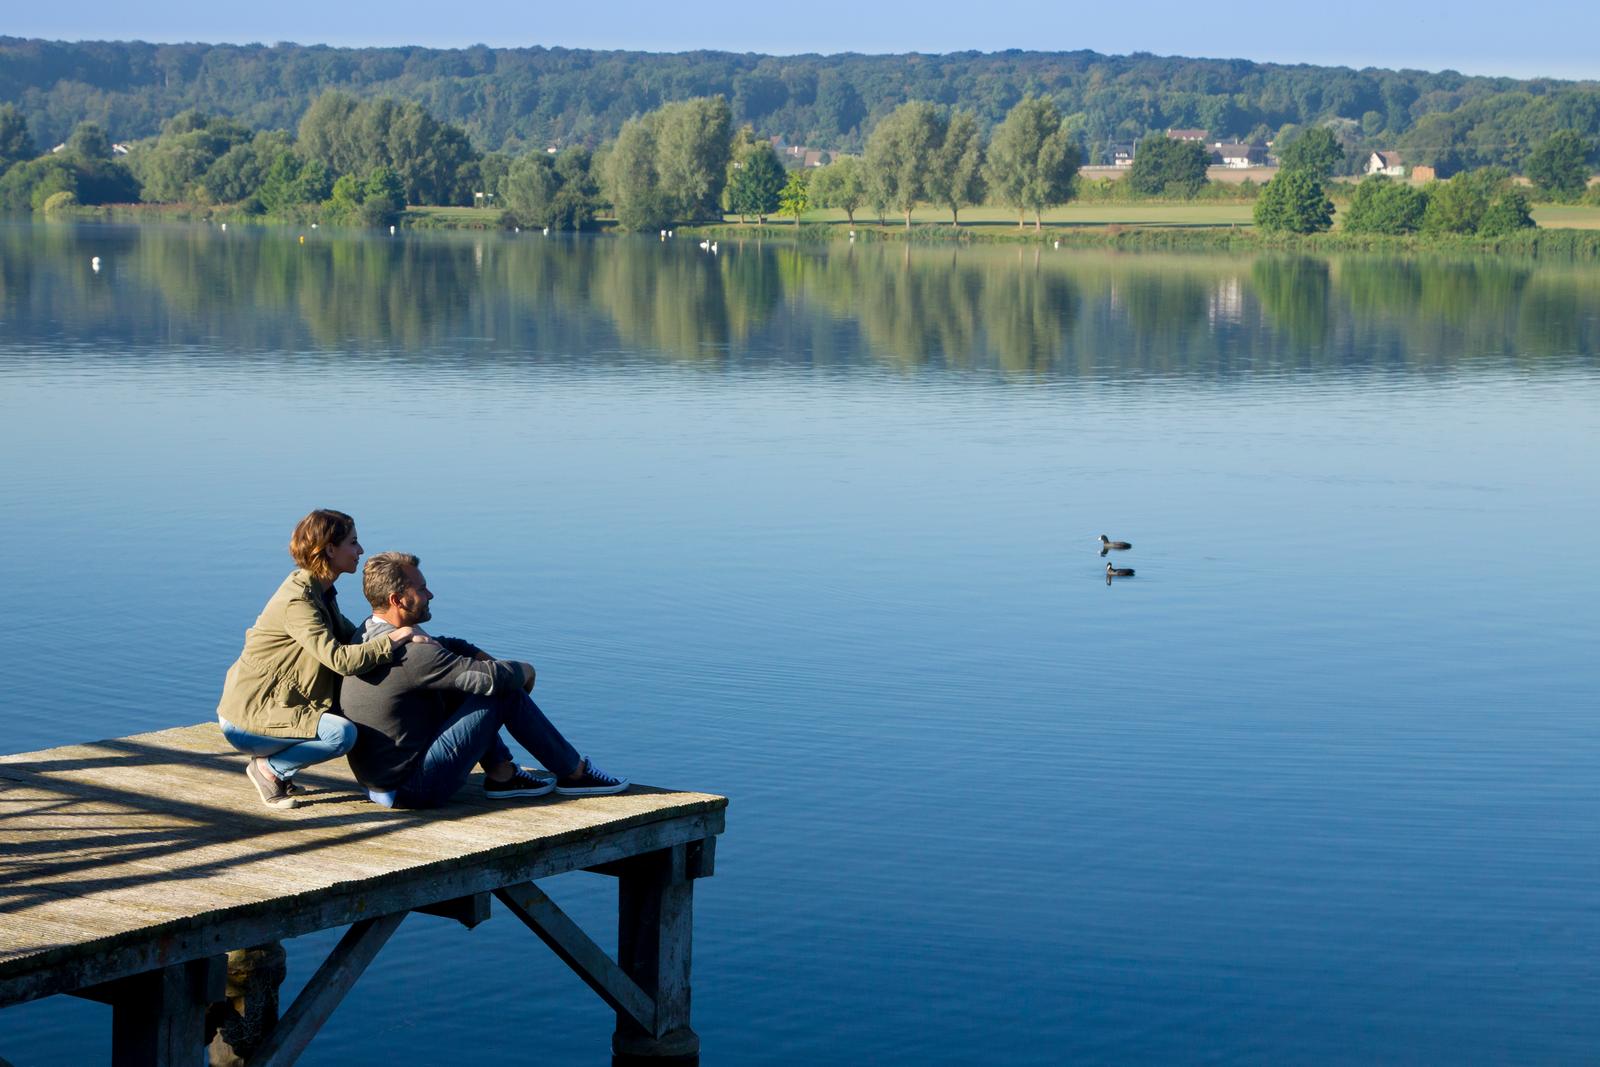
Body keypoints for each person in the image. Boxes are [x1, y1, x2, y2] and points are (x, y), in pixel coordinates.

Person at [340, 551, 628, 809]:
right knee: (502, 691)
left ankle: (502, 774)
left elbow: (446, 645)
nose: (430, 595)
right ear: (397, 600)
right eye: (422, 588)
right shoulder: (412, 655)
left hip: (379, 783)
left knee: (463, 680)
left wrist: (480, 655)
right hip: (411, 790)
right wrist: (524, 670)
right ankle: (574, 773)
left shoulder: (368, 634)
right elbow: (489, 679)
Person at [217, 510, 430, 809]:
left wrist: (407, 636)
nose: (360, 550)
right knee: (341, 734)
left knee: (345, 722)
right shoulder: (298, 601)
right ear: (330, 548)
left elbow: (351, 637)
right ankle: (269, 770)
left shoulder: (321, 591)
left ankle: (275, 765)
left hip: (275, 709)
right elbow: (340, 659)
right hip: (248, 719)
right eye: (353, 543)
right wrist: (394, 638)